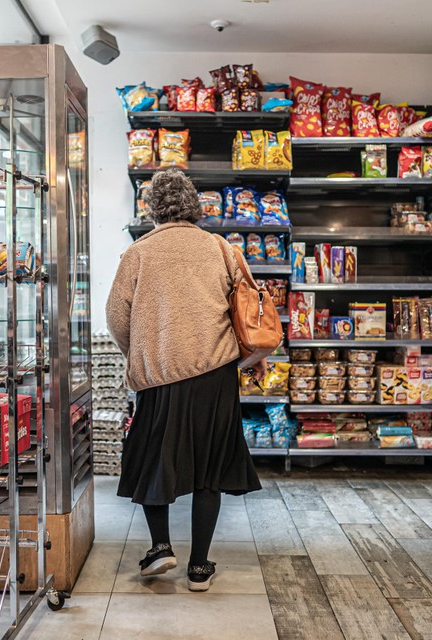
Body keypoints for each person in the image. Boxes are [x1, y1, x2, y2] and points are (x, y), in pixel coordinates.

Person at [106, 168, 262, 592]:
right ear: (195, 206)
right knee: (209, 468)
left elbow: (117, 319)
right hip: (216, 376)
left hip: (159, 376)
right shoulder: (221, 249)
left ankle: (160, 547)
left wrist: (138, 352)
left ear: (152, 208)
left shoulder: (138, 253)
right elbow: (252, 307)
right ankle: (199, 566)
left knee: (153, 459)